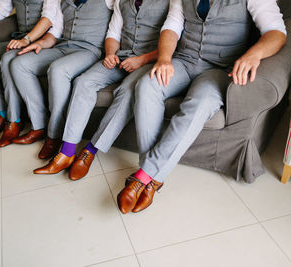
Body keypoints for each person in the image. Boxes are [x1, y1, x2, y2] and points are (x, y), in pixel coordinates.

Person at [115, 0, 287, 214]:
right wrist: (164, 59)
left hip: (220, 68)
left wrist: (254, 54)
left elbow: (276, 32)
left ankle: (143, 177)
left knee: (200, 105)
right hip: (184, 60)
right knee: (147, 86)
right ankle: (153, 177)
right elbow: (172, 25)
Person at [33, 0, 170, 179]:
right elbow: (113, 34)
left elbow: (174, 41)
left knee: (127, 91)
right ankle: (67, 151)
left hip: (150, 61)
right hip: (121, 57)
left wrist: (142, 60)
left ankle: (91, 150)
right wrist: (111, 54)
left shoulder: (171, 2)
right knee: (83, 82)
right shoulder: (122, 2)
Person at [6, 0, 114, 160]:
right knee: (19, 64)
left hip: (90, 50)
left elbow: (119, 25)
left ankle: (54, 135)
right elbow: (55, 33)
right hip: (62, 47)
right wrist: (39, 44)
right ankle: (39, 124)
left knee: (57, 70)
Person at [0, 0, 57, 147]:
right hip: (21, 37)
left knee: (7, 59)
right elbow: (1, 10)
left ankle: (14, 121)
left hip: (43, 40)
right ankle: (3, 113)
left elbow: (49, 18)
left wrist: (27, 39)